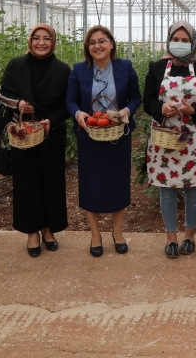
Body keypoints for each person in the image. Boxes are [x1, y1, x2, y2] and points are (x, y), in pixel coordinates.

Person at [143, 21, 196, 258]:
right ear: (168, 40)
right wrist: (161, 109)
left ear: (193, 42)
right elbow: (148, 101)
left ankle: (189, 235)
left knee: (194, 186)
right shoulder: (157, 68)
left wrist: (193, 111)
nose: (181, 44)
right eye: (177, 39)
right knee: (167, 187)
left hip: (194, 136)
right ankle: (171, 238)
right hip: (166, 135)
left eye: (186, 41)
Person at [66, 25, 141, 258]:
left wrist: (126, 111)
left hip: (118, 132)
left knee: (118, 182)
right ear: (87, 48)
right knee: (92, 184)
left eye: (102, 41)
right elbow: (70, 100)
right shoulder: (79, 69)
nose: (97, 46)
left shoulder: (124, 67)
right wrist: (79, 114)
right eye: (92, 42)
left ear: (111, 44)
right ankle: (96, 234)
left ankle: (118, 233)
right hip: (91, 132)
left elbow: (136, 97)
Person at [0, 24, 71, 257]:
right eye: (36, 38)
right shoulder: (17, 65)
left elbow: (68, 103)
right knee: (26, 183)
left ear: (53, 42)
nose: (41, 42)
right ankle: (32, 232)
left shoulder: (62, 69)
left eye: (46, 38)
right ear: (30, 41)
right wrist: (18, 104)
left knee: (52, 182)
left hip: (51, 133)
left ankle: (49, 229)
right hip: (23, 133)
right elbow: (1, 94)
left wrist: (52, 120)